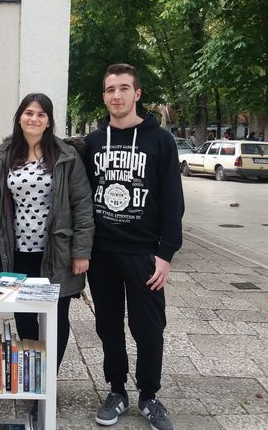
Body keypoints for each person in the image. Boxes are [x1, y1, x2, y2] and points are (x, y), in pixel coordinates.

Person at [82, 64, 183, 430]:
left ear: (137, 93)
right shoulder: (93, 142)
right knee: (108, 326)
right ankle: (116, 391)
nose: (117, 95)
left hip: (144, 254)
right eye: (111, 89)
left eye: (124, 88)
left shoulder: (161, 141)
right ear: (104, 96)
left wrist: (166, 254)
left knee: (149, 327)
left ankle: (149, 396)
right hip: (103, 253)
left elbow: (172, 200)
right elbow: (82, 197)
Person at [0, 93, 94, 373]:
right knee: (24, 317)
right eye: (28, 113)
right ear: (19, 118)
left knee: (56, 317)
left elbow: (82, 204)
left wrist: (81, 251)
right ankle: (32, 376)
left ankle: (49, 379)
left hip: (56, 251)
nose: (34, 119)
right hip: (18, 252)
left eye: (41, 114)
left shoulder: (65, 156)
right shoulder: (6, 155)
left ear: (49, 121)